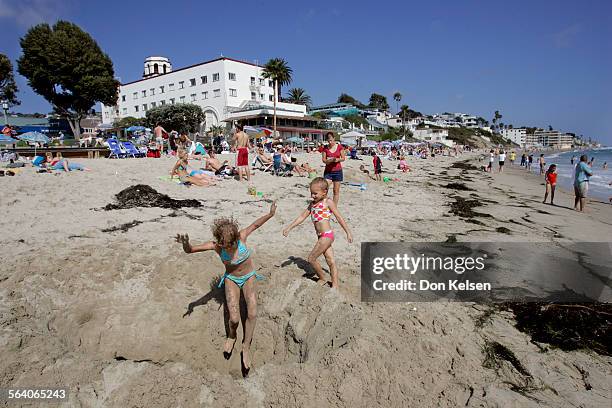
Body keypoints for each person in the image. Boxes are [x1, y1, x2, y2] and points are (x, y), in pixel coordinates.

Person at [176, 201, 277, 377]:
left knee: (252, 313)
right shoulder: (217, 246)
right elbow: (190, 250)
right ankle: (232, 336)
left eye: (230, 244)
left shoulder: (242, 238)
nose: (227, 247)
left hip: (249, 277)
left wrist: (270, 214)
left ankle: (246, 346)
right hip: (231, 279)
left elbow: (256, 224)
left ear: (236, 238)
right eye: (224, 244)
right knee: (235, 318)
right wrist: (186, 243)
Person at [283, 178, 352, 288]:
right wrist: (289, 227)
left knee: (311, 258)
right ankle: (335, 285)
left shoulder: (328, 202)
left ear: (324, 192)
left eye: (315, 193)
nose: (313, 196)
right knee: (330, 260)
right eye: (311, 193)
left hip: (327, 235)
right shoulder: (312, 204)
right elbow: (302, 217)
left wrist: (348, 232)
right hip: (321, 236)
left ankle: (322, 278)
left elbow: (339, 217)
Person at [321, 132, 346, 205]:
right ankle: (324, 204)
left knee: (336, 191)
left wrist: (337, 160)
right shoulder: (325, 148)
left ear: (334, 138)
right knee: (324, 189)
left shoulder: (339, 147)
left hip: (338, 171)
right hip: (328, 171)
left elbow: (343, 158)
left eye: (331, 140)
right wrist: (329, 161)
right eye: (328, 140)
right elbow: (324, 160)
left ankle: (334, 207)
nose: (330, 142)